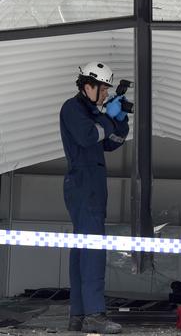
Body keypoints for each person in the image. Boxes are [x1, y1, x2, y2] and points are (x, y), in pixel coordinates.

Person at [59, 62, 130, 334]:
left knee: (82, 251)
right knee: (92, 251)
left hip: (90, 186)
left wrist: (120, 120)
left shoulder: (92, 113)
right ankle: (95, 315)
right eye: (102, 90)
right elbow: (90, 136)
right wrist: (107, 117)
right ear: (87, 86)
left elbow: (111, 142)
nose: (104, 96)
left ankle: (78, 315)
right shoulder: (73, 109)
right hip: (82, 184)